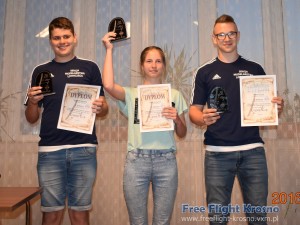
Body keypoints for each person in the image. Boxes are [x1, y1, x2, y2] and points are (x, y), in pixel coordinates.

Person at [189, 14, 284, 225]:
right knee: (218, 218)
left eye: (231, 33)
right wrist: (202, 117)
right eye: (221, 34)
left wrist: (277, 108)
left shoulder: (255, 69)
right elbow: (193, 112)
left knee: (258, 218)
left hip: (253, 153)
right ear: (214, 39)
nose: (227, 38)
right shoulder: (204, 72)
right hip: (217, 155)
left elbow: (267, 111)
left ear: (238, 35)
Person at [25, 17, 108, 225]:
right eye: (56, 38)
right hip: (50, 151)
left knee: (80, 215)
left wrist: (101, 106)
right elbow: (31, 117)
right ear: (50, 41)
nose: (61, 41)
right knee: (51, 215)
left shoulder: (90, 68)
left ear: (74, 38)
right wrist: (33, 102)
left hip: (84, 148)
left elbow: (103, 107)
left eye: (66, 36)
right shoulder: (40, 71)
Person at [101, 32, 187, 225]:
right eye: (149, 61)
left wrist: (178, 121)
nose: (154, 65)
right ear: (142, 66)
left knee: (162, 221)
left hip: (166, 161)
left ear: (164, 65)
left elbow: (182, 132)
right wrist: (109, 50)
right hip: (136, 161)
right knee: (137, 221)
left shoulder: (174, 94)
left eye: (158, 61)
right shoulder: (132, 94)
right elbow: (107, 84)